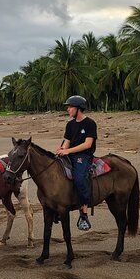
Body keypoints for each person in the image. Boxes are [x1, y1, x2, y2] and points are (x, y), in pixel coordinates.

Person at [55, 95, 97, 231]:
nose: (68, 109)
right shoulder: (70, 124)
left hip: (83, 156)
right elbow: (66, 141)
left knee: (79, 179)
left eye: (70, 107)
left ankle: (84, 213)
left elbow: (87, 144)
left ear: (78, 109)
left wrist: (68, 151)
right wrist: (62, 150)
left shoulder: (90, 123)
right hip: (70, 154)